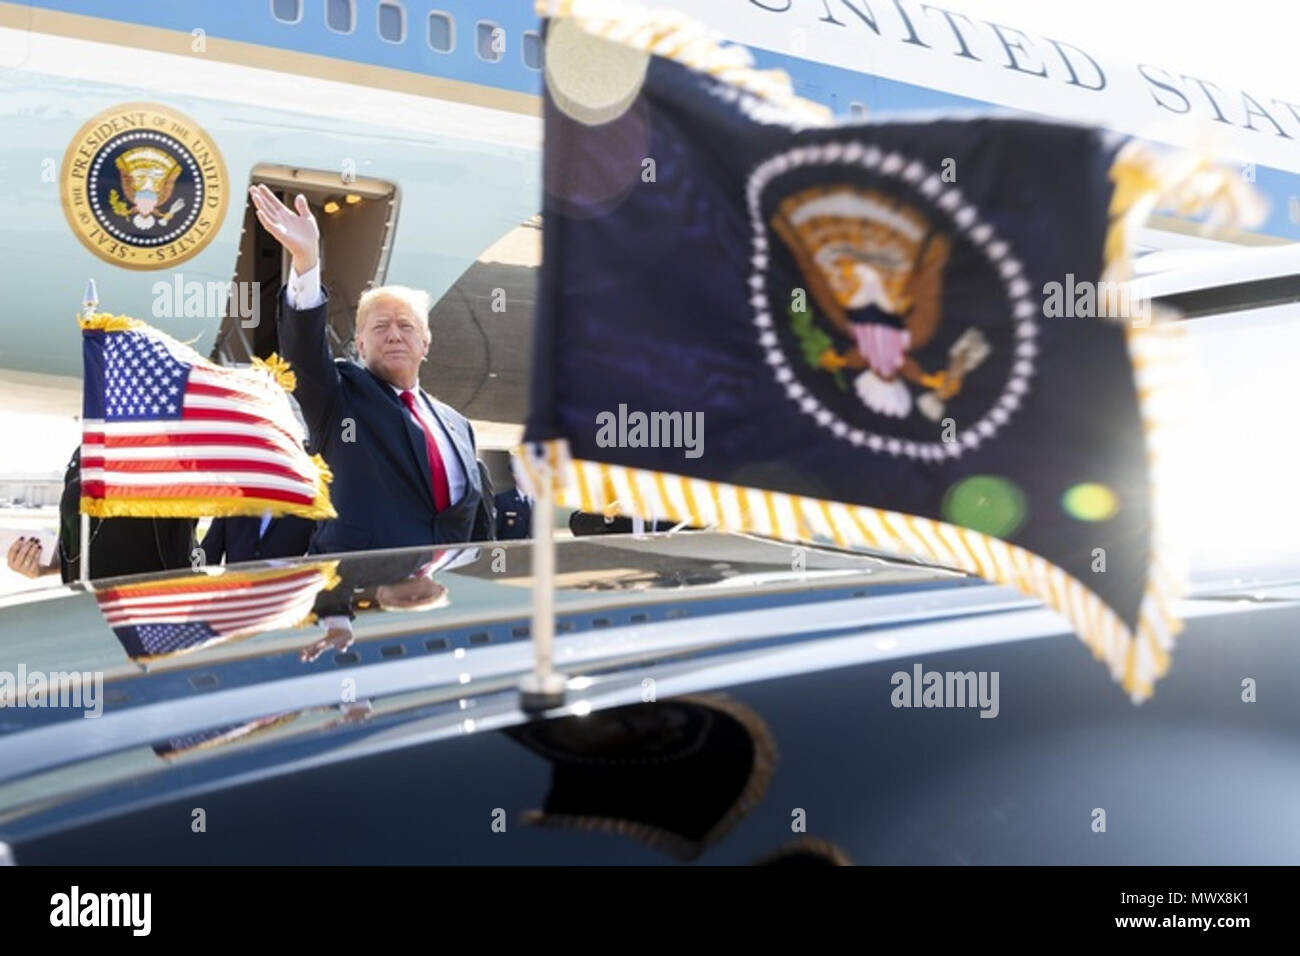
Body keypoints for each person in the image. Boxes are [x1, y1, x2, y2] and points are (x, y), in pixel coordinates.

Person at [250, 184, 494, 551]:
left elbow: (473, 523)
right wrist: (306, 262)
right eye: (380, 327)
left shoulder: (457, 425)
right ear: (360, 344)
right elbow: (303, 356)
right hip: (363, 594)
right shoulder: (340, 397)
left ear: (426, 343)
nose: (394, 335)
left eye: (406, 326)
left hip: (443, 595)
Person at [5, 446, 195, 582]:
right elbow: (80, 548)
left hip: (150, 615)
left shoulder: (170, 450)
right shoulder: (82, 454)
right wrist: (45, 563)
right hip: (86, 615)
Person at [199, 512, 316, 566]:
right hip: (236, 602)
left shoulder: (306, 509)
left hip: (284, 604)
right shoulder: (234, 504)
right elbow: (207, 555)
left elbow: (318, 559)